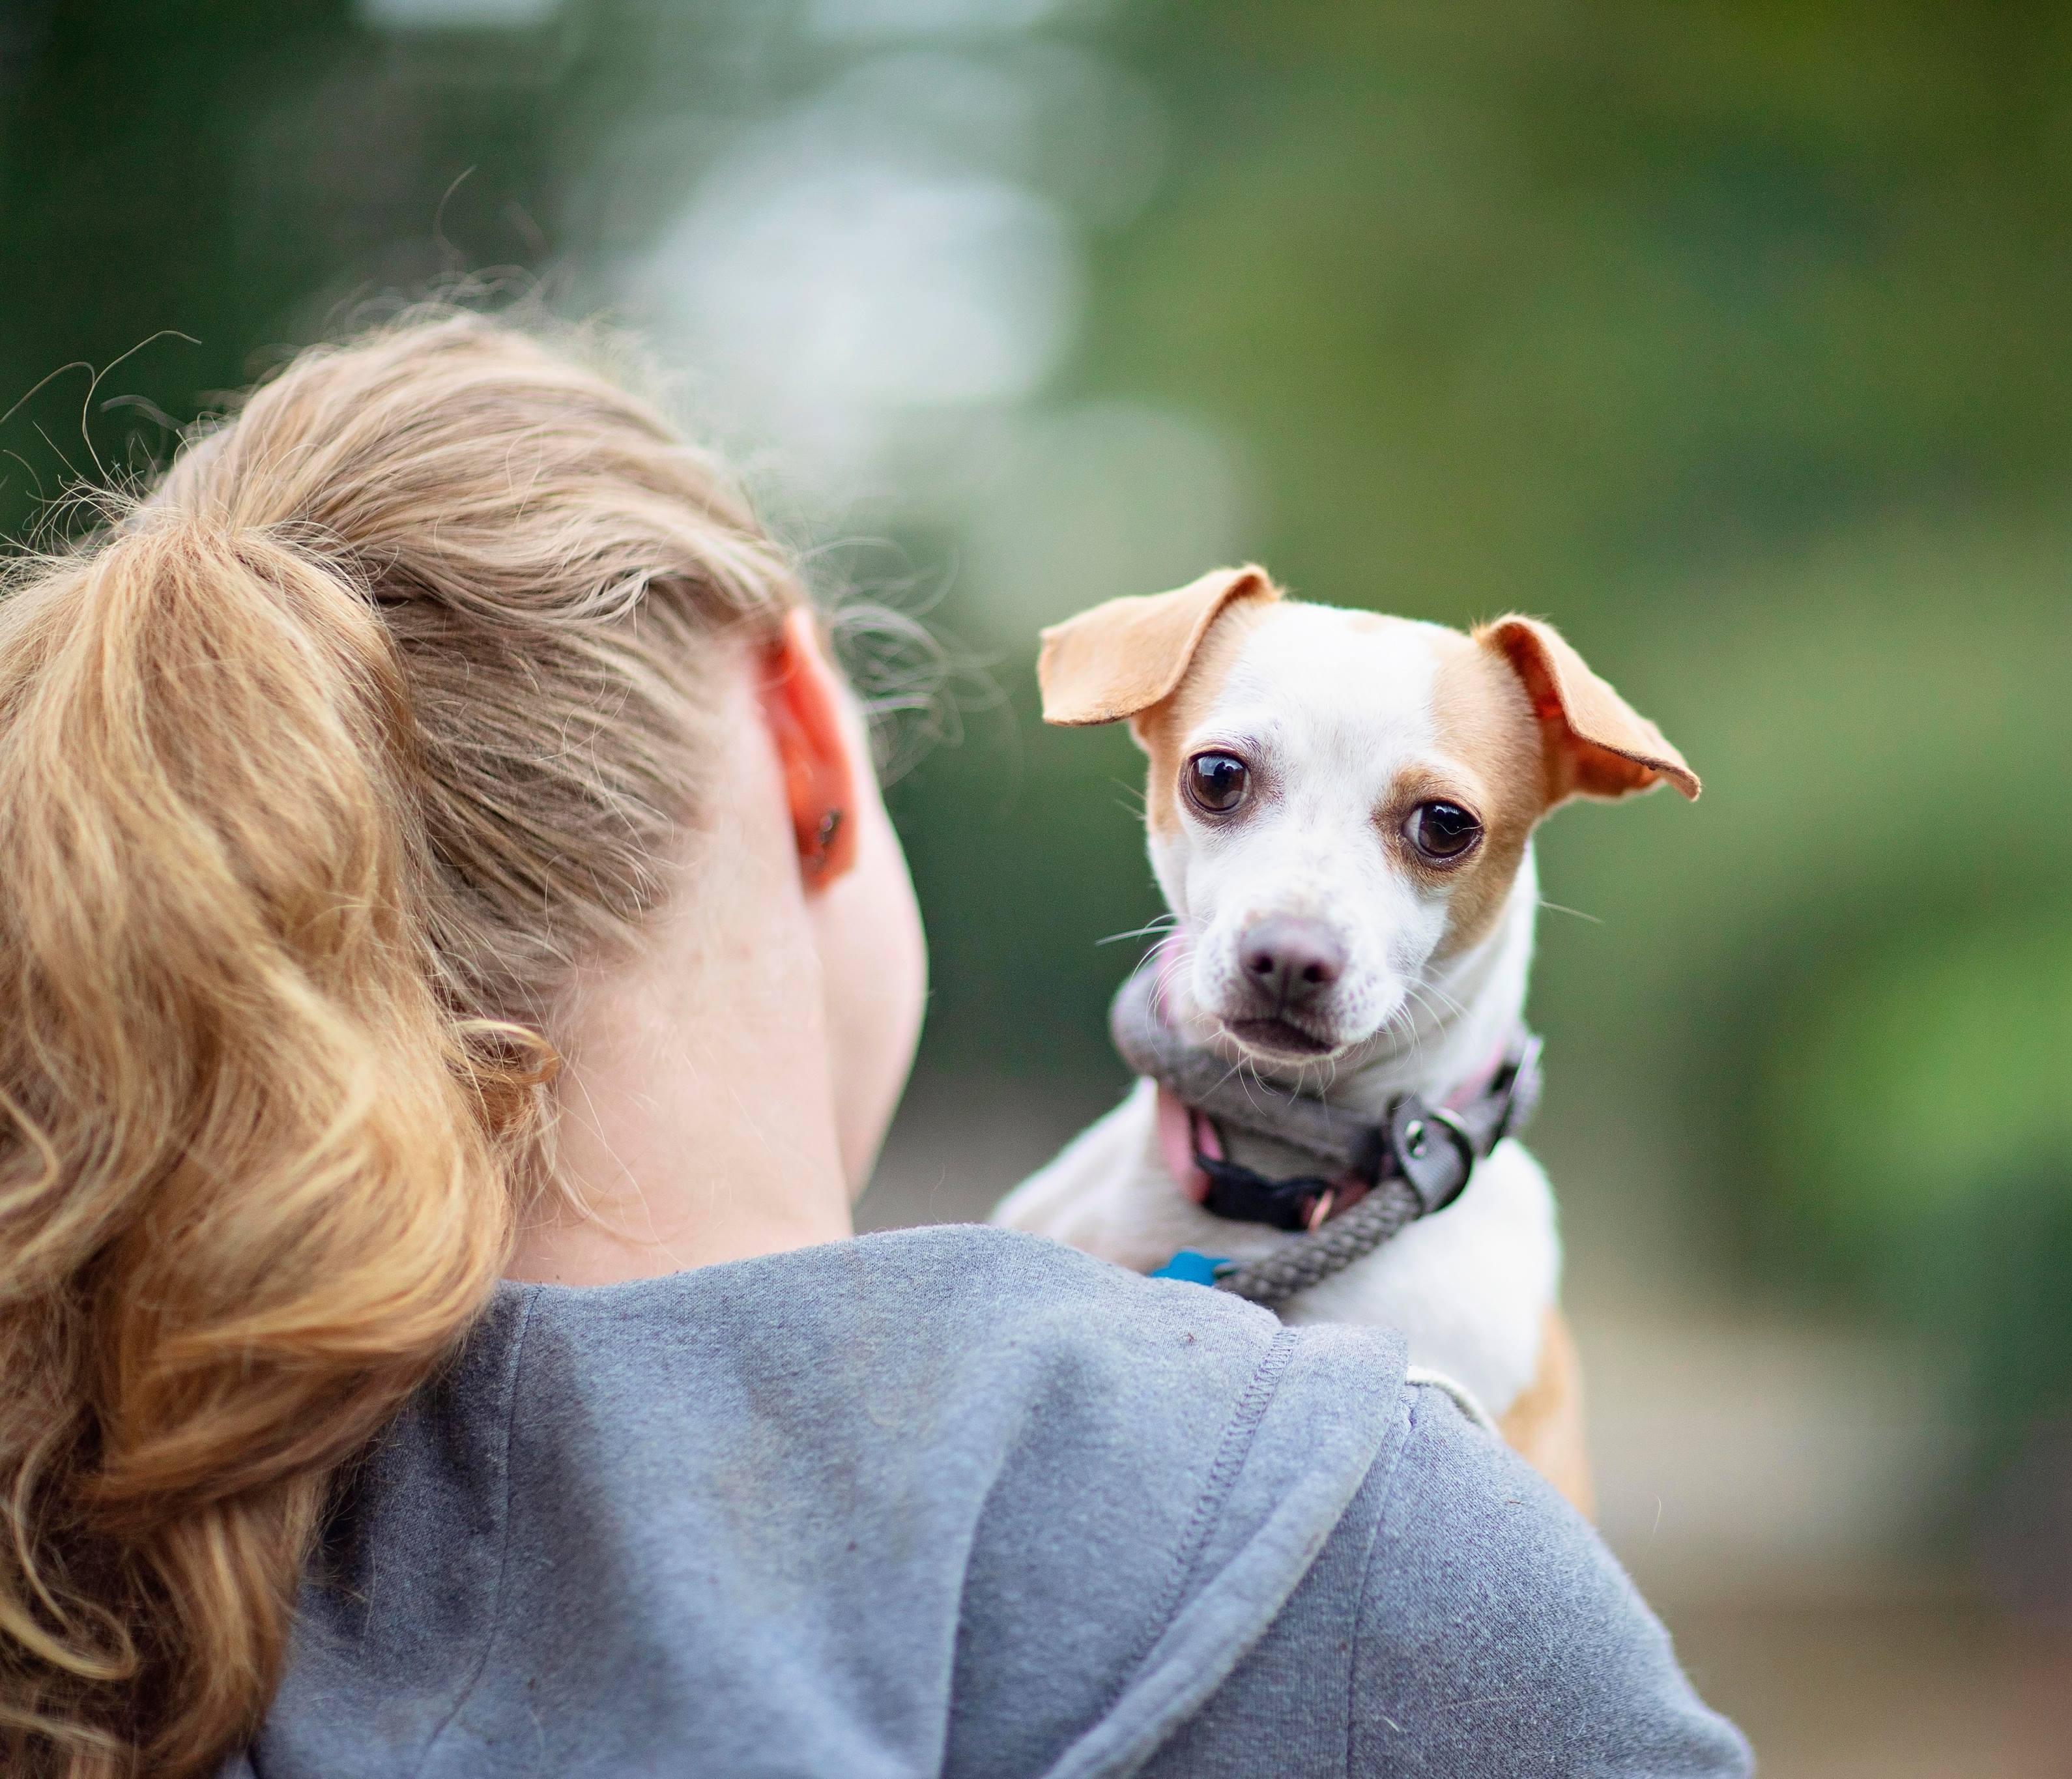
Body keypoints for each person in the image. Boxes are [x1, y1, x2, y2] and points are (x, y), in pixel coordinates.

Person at [0, 311, 1752, 1778]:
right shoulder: (1385, 1533)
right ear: (806, 738)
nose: (1300, 919)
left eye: (1428, 829)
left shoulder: (126, 1534)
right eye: (1225, 782)